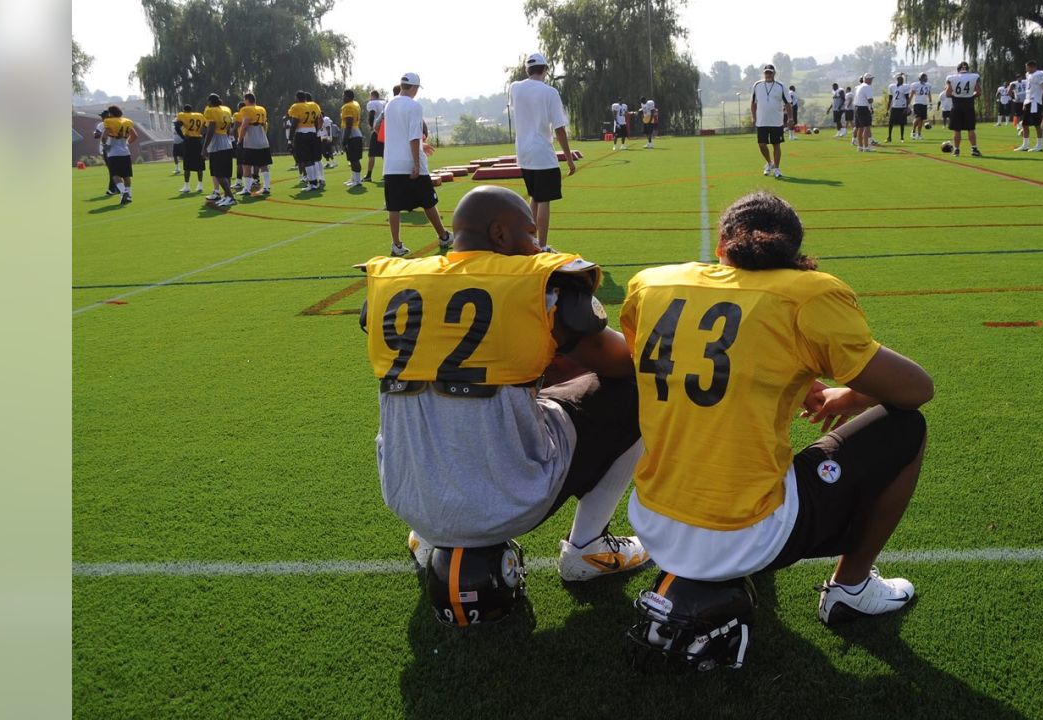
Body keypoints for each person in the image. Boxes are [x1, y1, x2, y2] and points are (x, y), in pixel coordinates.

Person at [619, 191, 933, 627]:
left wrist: (794, 373)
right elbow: (917, 389)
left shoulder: (651, 283)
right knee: (907, 428)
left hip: (653, 520)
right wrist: (852, 395)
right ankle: (852, 587)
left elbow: (684, 360)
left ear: (721, 248)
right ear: (794, 254)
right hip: (749, 532)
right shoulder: (806, 295)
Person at [360, 185, 652, 585]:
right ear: (499, 234)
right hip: (509, 499)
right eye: (529, 234)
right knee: (638, 387)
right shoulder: (538, 284)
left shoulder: (394, 282)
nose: (536, 246)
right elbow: (622, 363)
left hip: (408, 495)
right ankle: (588, 547)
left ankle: (429, 535)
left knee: (430, 399)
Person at [380, 72, 453, 257]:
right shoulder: (414, 106)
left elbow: (399, 133)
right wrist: (416, 163)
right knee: (428, 201)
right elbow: (413, 136)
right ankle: (443, 236)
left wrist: (421, 145)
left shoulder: (390, 104)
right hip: (409, 161)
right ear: (414, 88)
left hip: (391, 163)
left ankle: (396, 244)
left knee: (393, 206)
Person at [510, 53, 577, 251]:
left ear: (526, 70)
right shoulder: (550, 92)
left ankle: (532, 242)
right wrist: (569, 158)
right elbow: (559, 128)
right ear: (545, 69)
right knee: (544, 200)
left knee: (535, 197)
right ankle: (543, 245)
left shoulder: (515, 88)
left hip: (523, 154)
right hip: (542, 153)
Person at [751, 63, 793, 174]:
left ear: (774, 73)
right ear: (764, 73)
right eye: (766, 72)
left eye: (770, 72)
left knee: (776, 145)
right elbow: (753, 103)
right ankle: (769, 163)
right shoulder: (757, 85)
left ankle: (777, 168)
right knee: (761, 144)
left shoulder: (781, 86)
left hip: (776, 121)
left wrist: (790, 118)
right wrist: (754, 117)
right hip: (761, 121)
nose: (768, 74)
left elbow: (788, 104)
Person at [202, 94, 237, 207]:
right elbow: (228, 127)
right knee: (226, 173)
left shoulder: (211, 111)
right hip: (226, 142)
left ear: (211, 102)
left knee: (218, 173)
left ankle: (230, 197)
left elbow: (211, 129)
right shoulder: (226, 110)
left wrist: (204, 147)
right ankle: (227, 196)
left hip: (217, 144)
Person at [235, 93, 272, 196]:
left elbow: (244, 126)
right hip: (263, 140)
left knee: (246, 165)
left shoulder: (246, 110)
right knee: (264, 164)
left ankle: (246, 188)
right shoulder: (262, 109)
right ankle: (267, 186)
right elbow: (265, 125)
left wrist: (240, 139)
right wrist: (263, 135)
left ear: (247, 100)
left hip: (251, 141)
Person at [945, 61, 982, 157]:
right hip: (969, 105)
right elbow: (978, 92)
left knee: (957, 130)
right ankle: (974, 149)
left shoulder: (951, 77)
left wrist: (956, 96)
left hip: (957, 105)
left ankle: (956, 150)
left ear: (958, 70)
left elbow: (948, 93)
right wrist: (970, 96)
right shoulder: (974, 76)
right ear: (967, 69)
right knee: (971, 129)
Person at [101, 106, 137, 205]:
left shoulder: (109, 121)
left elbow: (104, 136)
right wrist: (127, 144)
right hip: (125, 151)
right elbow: (135, 136)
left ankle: (123, 191)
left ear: (111, 113)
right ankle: (128, 195)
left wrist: (105, 145)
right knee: (126, 176)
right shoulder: (127, 121)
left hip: (114, 152)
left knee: (115, 175)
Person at [288, 90, 323, 191]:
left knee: (305, 159)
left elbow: (294, 124)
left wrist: (290, 140)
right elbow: (317, 120)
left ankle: (312, 183)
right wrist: (315, 131)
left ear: (297, 98)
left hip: (301, 134)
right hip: (312, 132)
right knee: (311, 159)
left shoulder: (296, 107)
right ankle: (314, 182)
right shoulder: (314, 105)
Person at [1016, 60, 1043, 152]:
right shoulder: (1028, 75)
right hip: (1028, 101)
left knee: (1037, 124)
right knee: (1025, 124)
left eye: (1027, 67)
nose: (1026, 69)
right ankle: (1025, 145)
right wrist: (1025, 102)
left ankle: (1040, 145)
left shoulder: (1039, 74)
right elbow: (1028, 90)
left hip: (1035, 102)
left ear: (1032, 67)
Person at [176, 104, 206, 193]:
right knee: (200, 164)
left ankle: (187, 186)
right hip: (198, 141)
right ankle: (200, 185)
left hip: (189, 141)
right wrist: (203, 136)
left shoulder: (183, 115)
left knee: (187, 164)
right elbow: (206, 126)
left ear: (184, 110)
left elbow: (177, 127)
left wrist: (183, 137)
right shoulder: (199, 116)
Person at [340, 89, 365, 187]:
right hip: (356, 132)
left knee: (354, 159)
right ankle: (354, 179)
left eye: (344, 96)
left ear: (348, 97)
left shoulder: (347, 106)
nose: (343, 98)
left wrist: (345, 139)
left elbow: (349, 124)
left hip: (352, 135)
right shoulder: (355, 104)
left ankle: (357, 181)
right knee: (352, 159)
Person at [364, 89, 387, 182]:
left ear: (372, 96)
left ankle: (369, 175)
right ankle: (386, 174)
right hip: (385, 129)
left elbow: (372, 114)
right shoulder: (385, 103)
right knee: (385, 154)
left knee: (372, 154)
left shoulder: (372, 103)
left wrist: (370, 125)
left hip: (377, 130)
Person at [93, 110, 117, 196]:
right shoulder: (103, 125)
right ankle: (115, 188)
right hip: (111, 149)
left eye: (102, 117)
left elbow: (97, 135)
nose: (101, 118)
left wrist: (97, 133)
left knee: (113, 170)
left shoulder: (106, 124)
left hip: (111, 149)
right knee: (114, 169)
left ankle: (113, 189)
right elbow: (96, 135)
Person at [853, 73, 876, 152]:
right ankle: (866, 147)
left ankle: (860, 147)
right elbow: (870, 100)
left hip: (856, 108)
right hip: (863, 108)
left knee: (860, 128)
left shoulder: (859, 86)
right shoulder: (867, 87)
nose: (871, 80)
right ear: (866, 79)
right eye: (870, 79)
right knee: (866, 127)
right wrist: (872, 102)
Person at [884, 73, 910, 143]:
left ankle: (902, 137)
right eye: (900, 79)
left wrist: (907, 107)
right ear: (897, 79)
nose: (901, 80)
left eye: (902, 79)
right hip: (894, 107)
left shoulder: (905, 87)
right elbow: (890, 99)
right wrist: (887, 110)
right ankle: (889, 137)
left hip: (902, 107)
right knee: (890, 123)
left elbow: (907, 98)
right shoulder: (892, 87)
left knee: (902, 123)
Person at [909, 73, 932, 140]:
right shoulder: (915, 85)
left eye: (926, 77)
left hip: (924, 103)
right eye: (924, 77)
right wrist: (908, 103)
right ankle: (913, 131)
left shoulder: (928, 85)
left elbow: (929, 94)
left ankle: (919, 134)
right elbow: (912, 94)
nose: (925, 78)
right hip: (917, 103)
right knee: (918, 117)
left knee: (921, 119)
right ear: (920, 78)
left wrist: (930, 103)